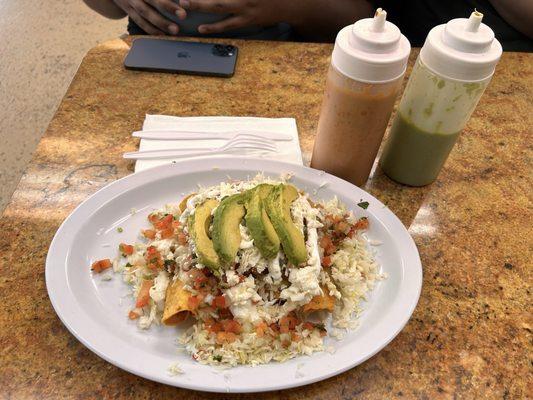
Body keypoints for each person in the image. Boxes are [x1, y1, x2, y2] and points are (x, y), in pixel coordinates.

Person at [83, 0, 532, 50]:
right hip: (156, 52)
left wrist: (287, 8)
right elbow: (105, 10)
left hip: (285, 55)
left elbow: (361, 17)